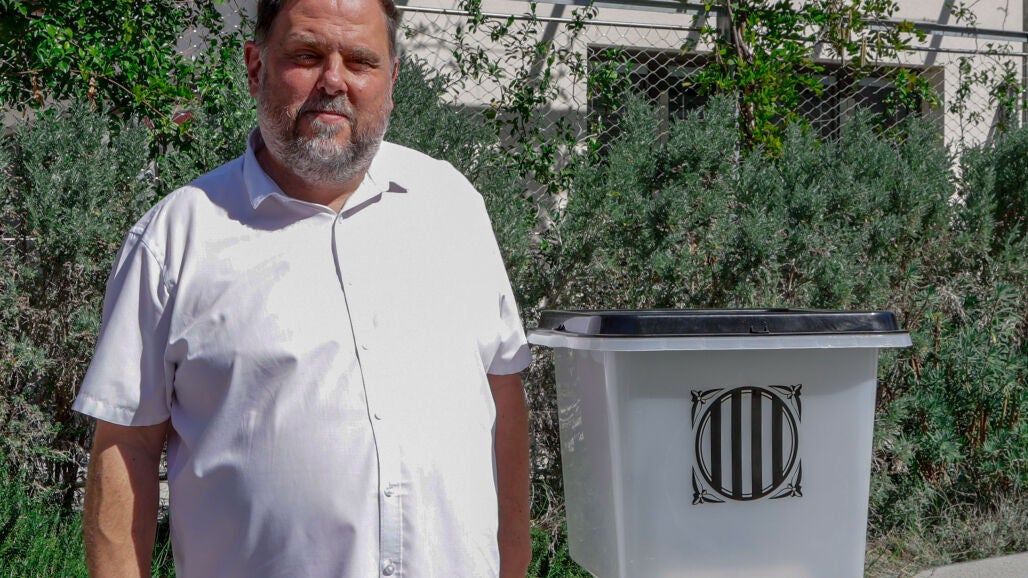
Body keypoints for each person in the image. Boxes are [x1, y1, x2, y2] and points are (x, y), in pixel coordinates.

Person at [73, 0, 532, 576]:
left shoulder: (453, 207)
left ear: (392, 79)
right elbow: (127, 447)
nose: (334, 81)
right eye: (307, 56)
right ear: (255, 67)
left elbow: (502, 398)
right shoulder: (177, 238)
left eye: (360, 61)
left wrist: (514, 562)